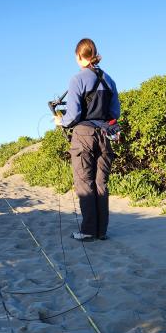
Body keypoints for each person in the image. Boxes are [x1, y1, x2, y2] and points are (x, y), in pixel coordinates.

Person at [55, 38, 120, 241]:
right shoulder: (110, 80)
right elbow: (114, 112)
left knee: (84, 183)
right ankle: (101, 231)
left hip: (83, 134)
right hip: (106, 134)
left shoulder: (77, 79)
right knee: (101, 183)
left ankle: (89, 231)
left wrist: (60, 121)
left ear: (79, 56)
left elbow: (73, 115)